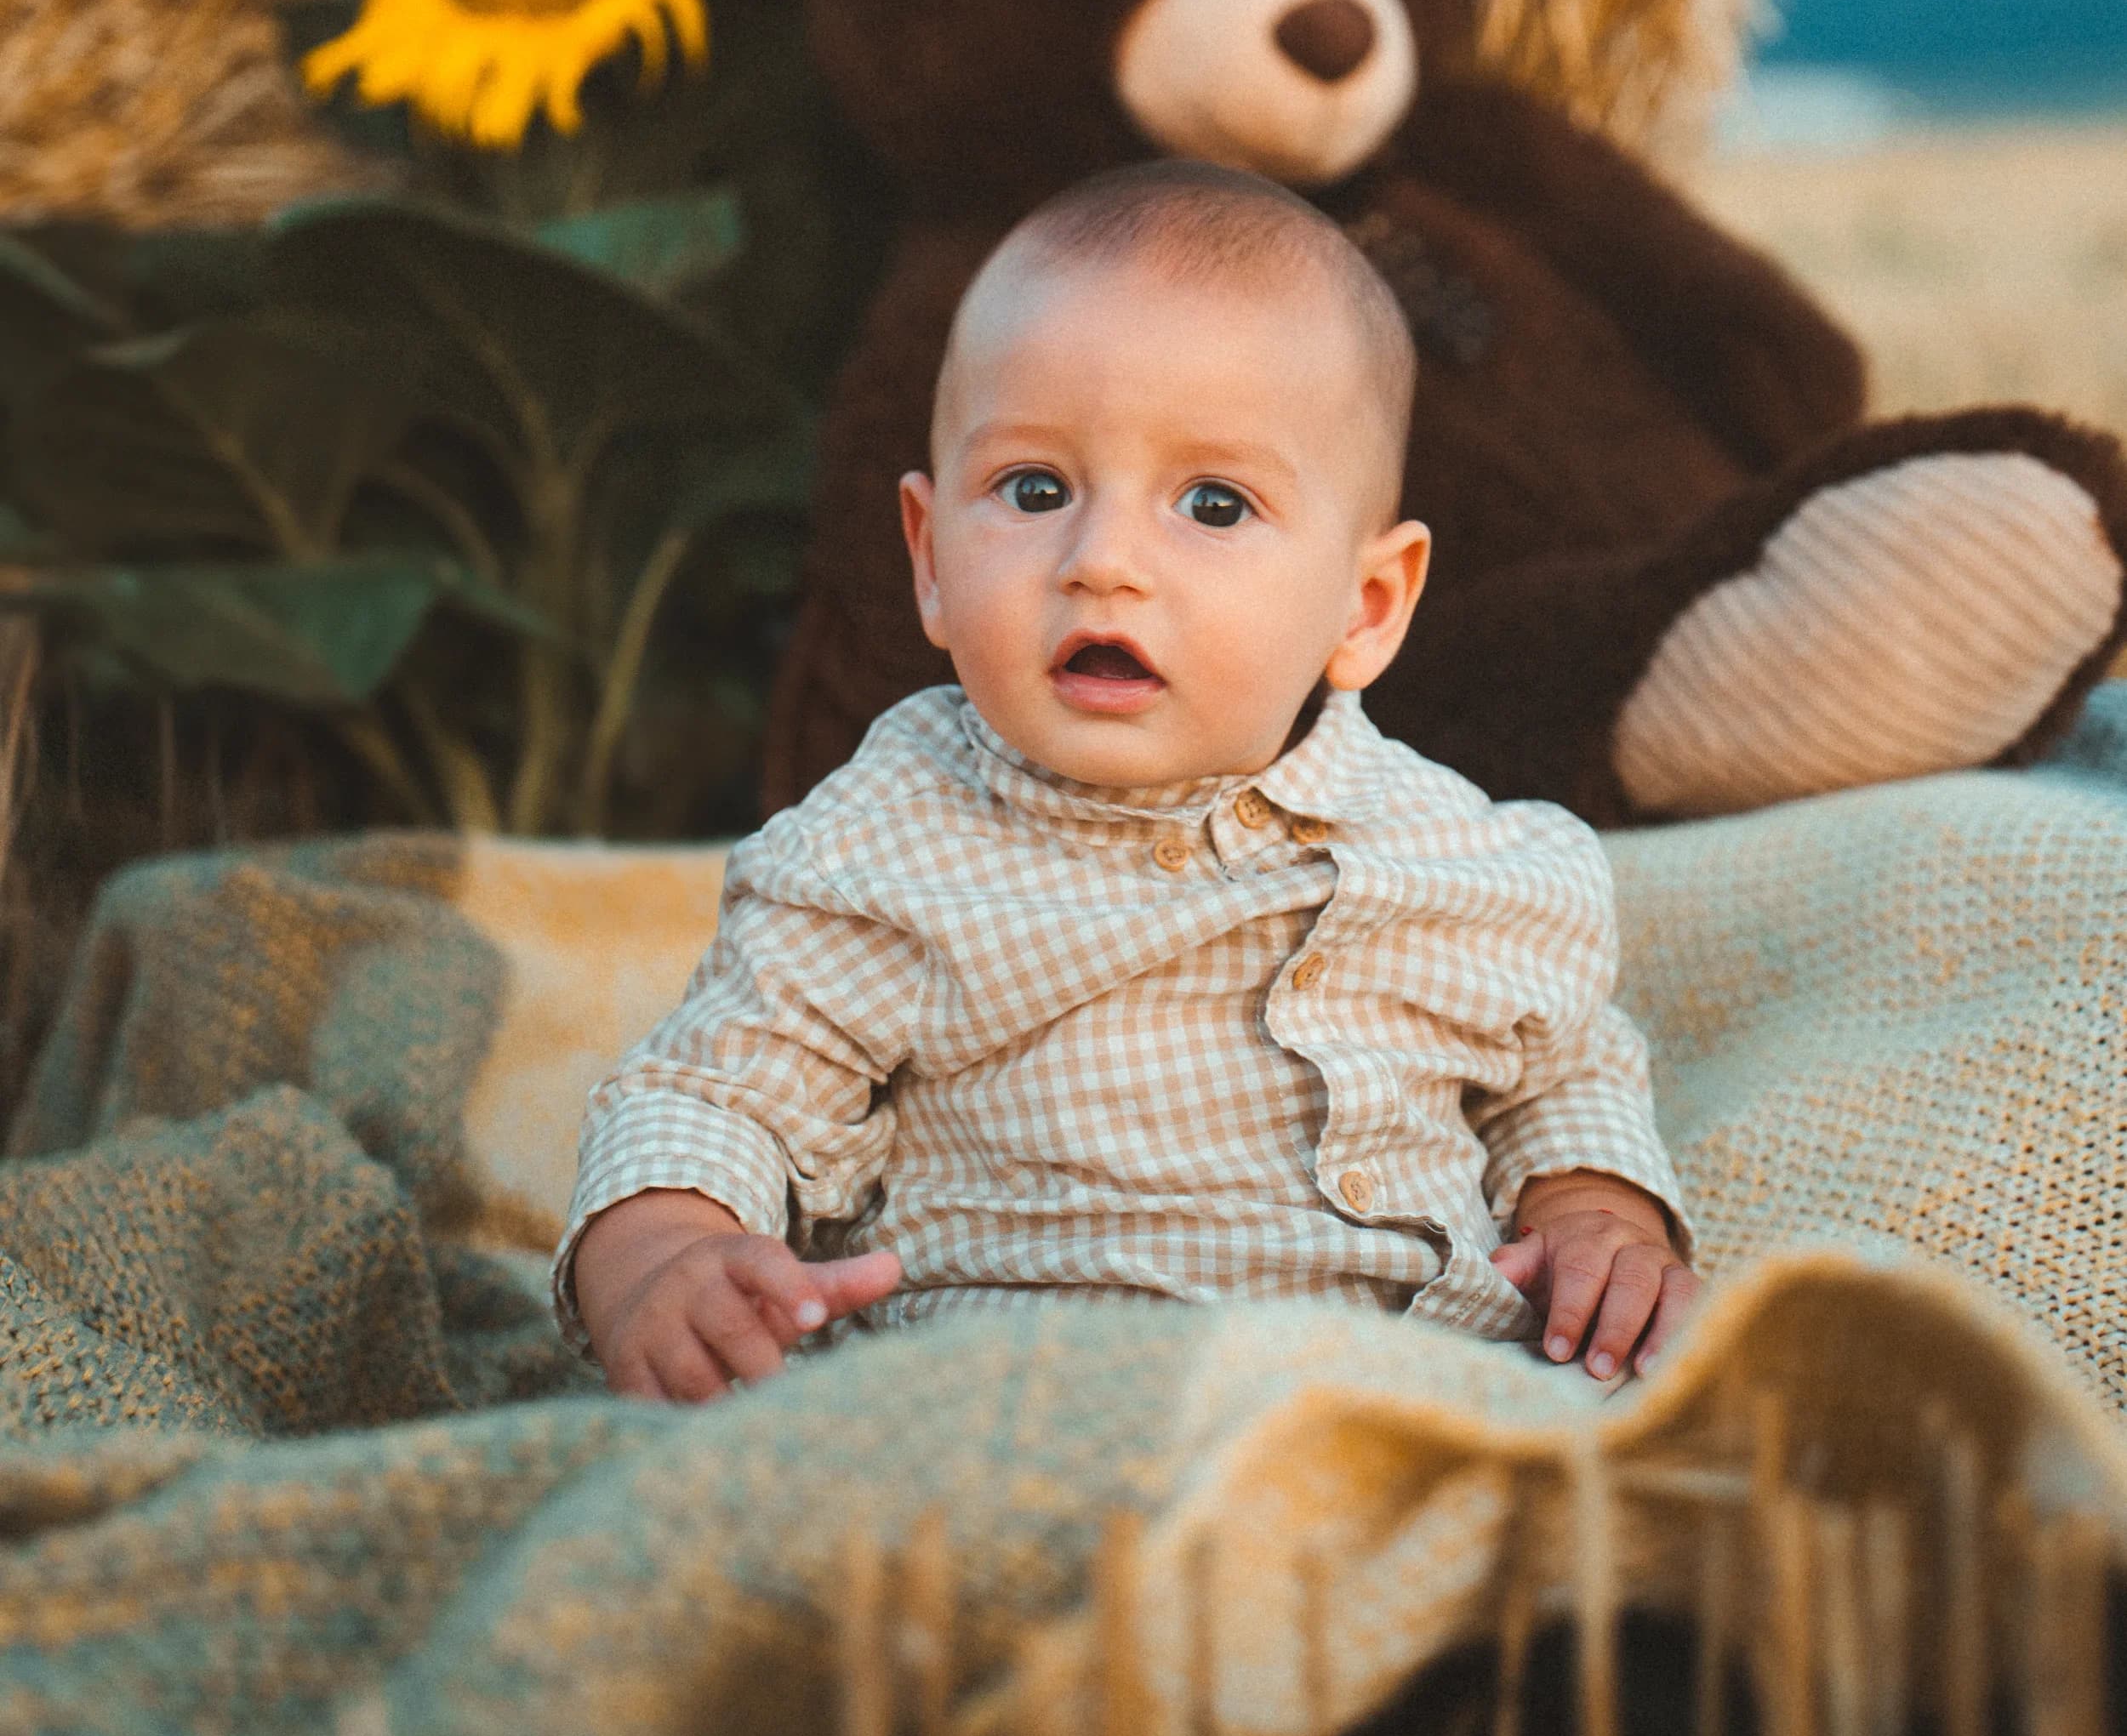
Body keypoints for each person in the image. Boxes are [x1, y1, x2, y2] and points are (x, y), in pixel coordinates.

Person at [559, 161, 1698, 1401]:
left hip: (1405, 1406)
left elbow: (1559, 1067)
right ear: (931, 560)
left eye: (1213, 503)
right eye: (1035, 489)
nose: (1102, 561)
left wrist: (1599, 1216)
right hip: (999, 1406)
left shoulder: (1463, 862)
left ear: (1364, 607)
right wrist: (662, 1254)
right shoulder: (887, 845)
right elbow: (715, 1089)